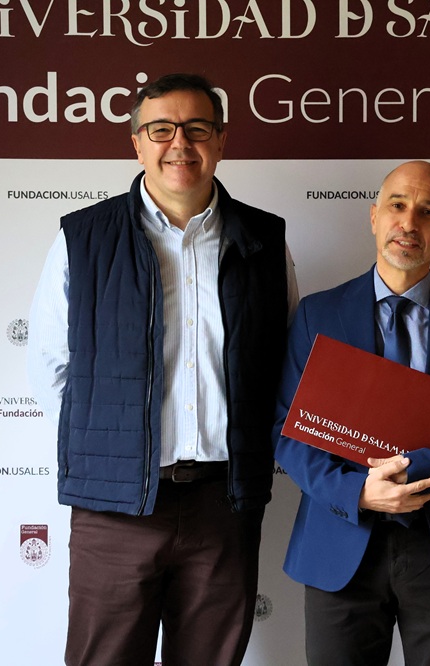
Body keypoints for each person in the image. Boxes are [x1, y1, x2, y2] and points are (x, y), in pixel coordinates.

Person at [27, 72, 298, 666]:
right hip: (115, 507)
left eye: (197, 128)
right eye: (161, 129)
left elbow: (285, 364)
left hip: (225, 504)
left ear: (221, 141)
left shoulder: (264, 241)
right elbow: (52, 367)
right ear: (137, 142)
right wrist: (111, 454)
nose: (180, 143)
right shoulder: (83, 239)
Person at [273, 161, 430, 666]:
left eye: (428, 212)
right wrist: (357, 491)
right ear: (374, 216)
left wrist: (419, 471)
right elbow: (289, 430)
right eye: (397, 205)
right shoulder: (316, 315)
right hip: (339, 541)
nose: (409, 222)